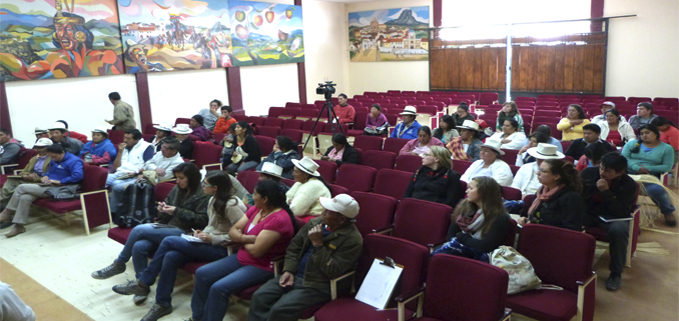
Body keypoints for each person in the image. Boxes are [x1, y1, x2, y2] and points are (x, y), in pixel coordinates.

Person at [110, 171, 246, 321]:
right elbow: (212, 225)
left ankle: (143, 283)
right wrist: (203, 233)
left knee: (169, 241)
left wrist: (213, 238)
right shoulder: (213, 199)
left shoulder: (232, 204)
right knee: (171, 256)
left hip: (223, 250)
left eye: (205, 184)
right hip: (207, 242)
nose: (202, 186)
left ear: (215, 187)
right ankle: (162, 303)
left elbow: (239, 235)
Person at [91, 163, 209, 305]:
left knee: (139, 229)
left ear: (192, 178)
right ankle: (142, 286)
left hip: (186, 232)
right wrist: (162, 209)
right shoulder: (177, 189)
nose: (177, 181)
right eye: (177, 178)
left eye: (181, 178)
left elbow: (201, 221)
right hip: (168, 227)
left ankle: (120, 263)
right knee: (139, 246)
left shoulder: (203, 195)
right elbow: (166, 209)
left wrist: (176, 211)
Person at [186, 180, 297, 321]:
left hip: (261, 265)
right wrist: (246, 238)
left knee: (219, 288)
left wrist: (240, 238)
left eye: (255, 194)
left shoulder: (279, 219)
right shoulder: (257, 209)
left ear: (265, 198)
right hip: (242, 256)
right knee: (202, 273)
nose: (252, 196)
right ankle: (197, 317)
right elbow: (233, 230)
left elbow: (257, 252)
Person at [248, 194, 362, 321]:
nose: (323, 212)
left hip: (317, 285)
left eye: (329, 211)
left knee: (280, 309)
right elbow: (294, 247)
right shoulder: (315, 222)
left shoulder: (352, 240)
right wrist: (289, 270)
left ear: (341, 219)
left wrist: (318, 244)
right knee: (259, 296)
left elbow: (333, 270)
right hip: (294, 274)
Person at [0, 144, 84, 238]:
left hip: (62, 188)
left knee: (21, 187)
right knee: (25, 198)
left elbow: (78, 176)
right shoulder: (54, 160)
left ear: (62, 152)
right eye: (51, 156)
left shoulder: (74, 161)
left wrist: (60, 181)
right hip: (49, 184)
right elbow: (50, 172)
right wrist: (45, 176)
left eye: (54, 156)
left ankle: (6, 213)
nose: (53, 159)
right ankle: (19, 226)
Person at [581, 153, 637, 291]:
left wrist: (606, 192)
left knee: (619, 230)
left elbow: (622, 211)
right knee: (567, 221)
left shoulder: (629, 184)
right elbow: (578, 196)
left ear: (620, 172)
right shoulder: (588, 173)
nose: (602, 172)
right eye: (601, 168)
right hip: (588, 213)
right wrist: (594, 188)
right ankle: (574, 266)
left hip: (612, 217)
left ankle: (616, 273)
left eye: (607, 171)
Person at [433, 176, 510, 261]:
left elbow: (484, 246)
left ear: (483, 192)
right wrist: (463, 239)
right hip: (458, 249)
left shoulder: (500, 217)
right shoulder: (465, 207)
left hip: (481, 258)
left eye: (471, 188)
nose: (466, 191)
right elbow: (451, 236)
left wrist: (461, 236)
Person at [621, 124, 676, 226]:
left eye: (647, 133)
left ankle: (667, 211)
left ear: (656, 134)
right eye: (641, 134)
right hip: (629, 174)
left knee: (656, 190)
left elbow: (667, 167)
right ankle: (622, 211)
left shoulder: (667, 148)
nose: (644, 135)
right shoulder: (631, 144)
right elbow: (623, 159)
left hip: (649, 176)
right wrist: (636, 168)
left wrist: (648, 169)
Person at [518, 159, 584, 231]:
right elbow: (534, 217)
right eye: (539, 169)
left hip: (554, 238)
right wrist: (525, 219)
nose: (538, 173)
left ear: (556, 176)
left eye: (543, 171)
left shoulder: (571, 198)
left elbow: (571, 229)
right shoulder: (541, 192)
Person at [105, 129, 155, 214]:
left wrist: (137, 172)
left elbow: (149, 166)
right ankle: (97, 208)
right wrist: (120, 152)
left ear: (137, 140)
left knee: (116, 185)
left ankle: (113, 212)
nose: (125, 141)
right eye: (124, 138)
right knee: (100, 181)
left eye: (128, 139)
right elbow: (115, 167)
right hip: (120, 174)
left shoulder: (146, 147)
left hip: (135, 176)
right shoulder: (124, 147)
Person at [0, 138, 52, 215]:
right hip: (29, 179)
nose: (38, 150)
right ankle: (2, 206)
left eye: (42, 148)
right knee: (11, 181)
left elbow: (51, 177)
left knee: (18, 189)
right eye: (37, 147)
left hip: (40, 182)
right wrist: (27, 175)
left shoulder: (52, 159)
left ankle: (7, 212)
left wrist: (35, 178)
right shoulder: (34, 159)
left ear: (50, 148)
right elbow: (23, 172)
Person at [286, 157, 332, 222]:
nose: (293, 174)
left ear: (305, 174)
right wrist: (290, 201)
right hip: (302, 216)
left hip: (314, 220)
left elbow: (296, 211)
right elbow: (286, 197)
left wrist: (292, 202)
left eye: (296, 172)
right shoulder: (300, 182)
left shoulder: (314, 185)